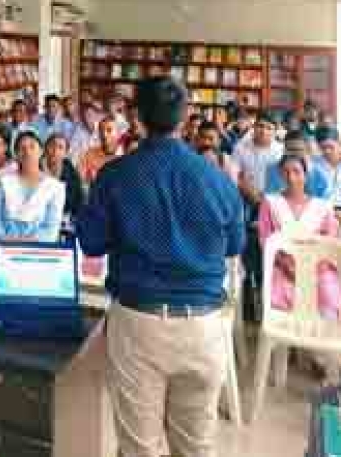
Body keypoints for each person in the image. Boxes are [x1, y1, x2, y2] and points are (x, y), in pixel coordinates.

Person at [77, 77, 244, 457]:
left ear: (136, 117)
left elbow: (91, 242)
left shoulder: (116, 175)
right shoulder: (217, 181)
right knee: (197, 445)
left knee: (140, 448)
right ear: (185, 119)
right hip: (203, 326)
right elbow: (234, 245)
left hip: (139, 323)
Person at [258, 152, 340, 321]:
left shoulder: (323, 207)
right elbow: (265, 240)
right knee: (279, 296)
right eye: (286, 172)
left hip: (317, 269)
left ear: (306, 174)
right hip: (281, 267)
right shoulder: (270, 202)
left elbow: (330, 244)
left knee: (329, 295)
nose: (291, 177)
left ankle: (320, 337)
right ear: (280, 174)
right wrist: (286, 265)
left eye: (296, 171)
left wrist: (310, 269)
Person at [233, 110, 284, 314]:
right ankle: (246, 305)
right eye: (260, 126)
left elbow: (281, 184)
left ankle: (268, 306)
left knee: (268, 257)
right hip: (245, 204)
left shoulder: (280, 152)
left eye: (269, 128)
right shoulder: (240, 147)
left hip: (273, 206)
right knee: (245, 256)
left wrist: (264, 202)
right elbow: (236, 177)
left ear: (275, 131)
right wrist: (253, 195)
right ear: (254, 127)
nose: (263, 131)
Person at [0, 132, 65, 243]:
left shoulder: (55, 187)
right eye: (22, 148)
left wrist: (24, 243)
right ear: (16, 155)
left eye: (32, 147)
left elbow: (50, 231)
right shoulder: (3, 182)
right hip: (3, 248)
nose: (27, 152)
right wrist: (7, 242)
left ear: (41, 151)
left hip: (38, 251)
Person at [265, 130, 329, 198]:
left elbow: (324, 203)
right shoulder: (273, 169)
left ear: (307, 150)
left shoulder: (320, 174)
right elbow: (271, 198)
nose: (294, 154)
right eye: (289, 150)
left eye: (298, 149)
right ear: (284, 150)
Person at [43, 134, 84, 223]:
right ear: (45, 149)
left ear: (65, 153)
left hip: (64, 221)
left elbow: (79, 200)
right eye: (52, 145)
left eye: (60, 147)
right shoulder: (36, 168)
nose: (55, 150)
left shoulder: (70, 172)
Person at [78, 114, 122, 185]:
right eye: (101, 131)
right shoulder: (89, 154)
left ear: (118, 133)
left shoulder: (125, 155)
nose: (104, 134)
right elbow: (80, 181)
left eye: (109, 130)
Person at [313, 124, 341, 209]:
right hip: (323, 211)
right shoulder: (314, 165)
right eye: (323, 148)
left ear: (339, 143)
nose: (327, 151)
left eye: (331, 147)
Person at [68, 101, 102, 165]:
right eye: (84, 116)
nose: (86, 118)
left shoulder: (101, 128)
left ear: (95, 115)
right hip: (84, 162)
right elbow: (72, 150)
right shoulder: (78, 130)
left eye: (89, 115)